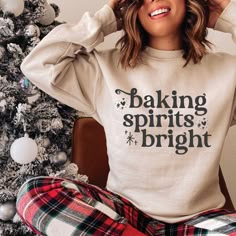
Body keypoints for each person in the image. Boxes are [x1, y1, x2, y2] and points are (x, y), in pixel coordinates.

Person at [16, 0, 236, 235]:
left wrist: (230, 17)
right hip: (124, 216)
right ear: (129, 8)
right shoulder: (103, 69)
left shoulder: (227, 70)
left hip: (200, 220)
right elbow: (37, 65)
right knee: (33, 193)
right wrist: (104, 20)